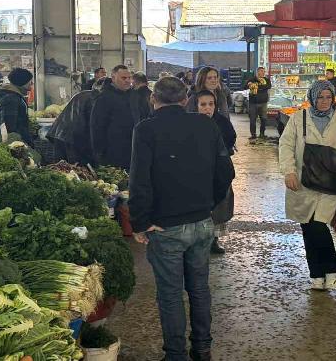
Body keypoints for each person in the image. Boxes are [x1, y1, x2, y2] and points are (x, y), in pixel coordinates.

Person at [129, 77, 234, 361]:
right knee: (199, 289)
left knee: (170, 294)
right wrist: (208, 203)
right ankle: (202, 349)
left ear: (153, 99)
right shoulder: (206, 125)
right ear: (186, 99)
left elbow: (139, 181)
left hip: (165, 226)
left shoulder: (145, 129)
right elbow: (226, 171)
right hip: (202, 222)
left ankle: (175, 355)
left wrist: (140, 222)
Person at [278, 80, 336, 290]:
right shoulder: (298, 118)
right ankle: (316, 273)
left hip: (331, 183)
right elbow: (286, 145)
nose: (324, 101)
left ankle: (333, 267)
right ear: (312, 98)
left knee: (318, 224)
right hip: (303, 182)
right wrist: (289, 171)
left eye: (328, 97)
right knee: (307, 226)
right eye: (320, 97)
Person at [194, 89, 237, 255]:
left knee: (220, 206)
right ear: (196, 106)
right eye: (203, 104)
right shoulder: (190, 123)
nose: (207, 108)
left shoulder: (222, 122)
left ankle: (214, 240)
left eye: (211, 104)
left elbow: (231, 138)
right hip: (198, 171)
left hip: (219, 170)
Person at [90, 65, 144, 169]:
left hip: (132, 150)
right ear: (113, 78)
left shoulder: (134, 95)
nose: (128, 81)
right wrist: (99, 152)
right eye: (124, 78)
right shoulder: (104, 98)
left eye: (129, 78)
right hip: (112, 152)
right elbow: (96, 126)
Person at [47, 77, 105, 165]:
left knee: (61, 168)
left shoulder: (83, 94)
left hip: (60, 134)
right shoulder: (97, 99)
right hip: (73, 138)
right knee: (75, 168)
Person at [0, 68, 34, 144]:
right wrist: (18, 145)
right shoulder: (11, 99)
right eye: (30, 82)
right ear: (23, 82)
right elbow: (9, 127)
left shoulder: (9, 94)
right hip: (15, 143)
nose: (31, 85)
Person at [247, 66, 271, 141]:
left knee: (264, 119)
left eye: (264, 71)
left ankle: (262, 134)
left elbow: (268, 86)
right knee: (252, 120)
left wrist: (258, 86)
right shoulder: (252, 79)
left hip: (263, 103)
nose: (263, 73)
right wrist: (249, 84)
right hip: (253, 103)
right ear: (258, 72)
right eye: (261, 71)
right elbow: (244, 86)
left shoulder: (267, 80)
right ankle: (253, 135)